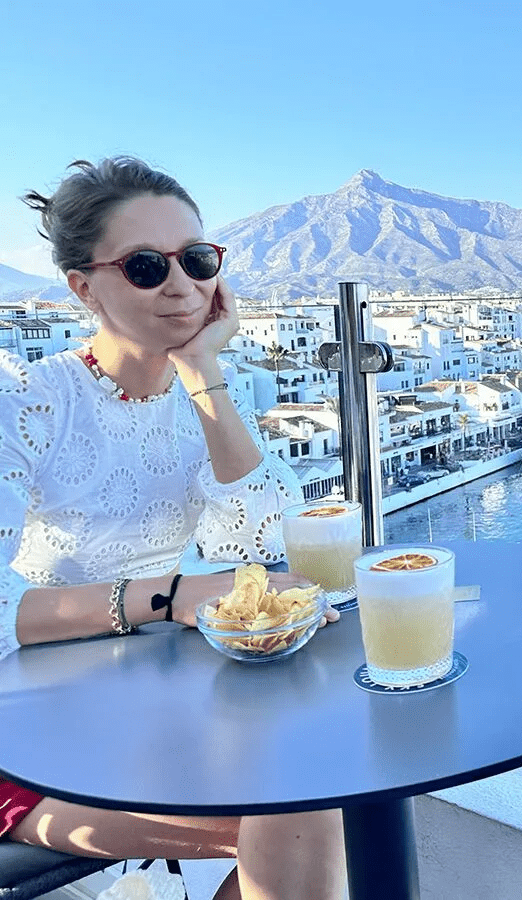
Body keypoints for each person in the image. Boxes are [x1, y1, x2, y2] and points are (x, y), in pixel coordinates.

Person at [0, 158, 346, 900]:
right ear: (83, 288)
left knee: (315, 784)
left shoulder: (207, 389)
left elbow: (260, 547)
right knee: (301, 805)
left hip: (151, 692)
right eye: (147, 266)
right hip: (23, 729)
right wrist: (169, 596)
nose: (182, 286)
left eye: (196, 259)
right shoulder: (25, 400)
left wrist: (200, 370)